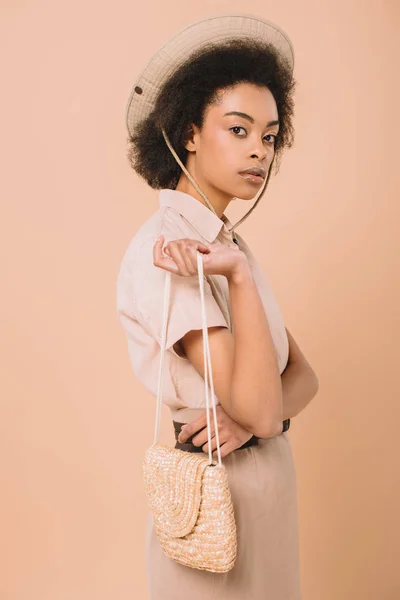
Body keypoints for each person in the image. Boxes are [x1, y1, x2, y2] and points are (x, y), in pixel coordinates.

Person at [117, 13, 319, 599]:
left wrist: (263, 415)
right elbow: (260, 404)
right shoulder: (170, 250)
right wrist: (261, 413)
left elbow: (302, 379)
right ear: (188, 133)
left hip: (266, 492)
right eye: (239, 129)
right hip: (213, 497)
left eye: (270, 135)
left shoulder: (227, 245)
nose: (260, 150)